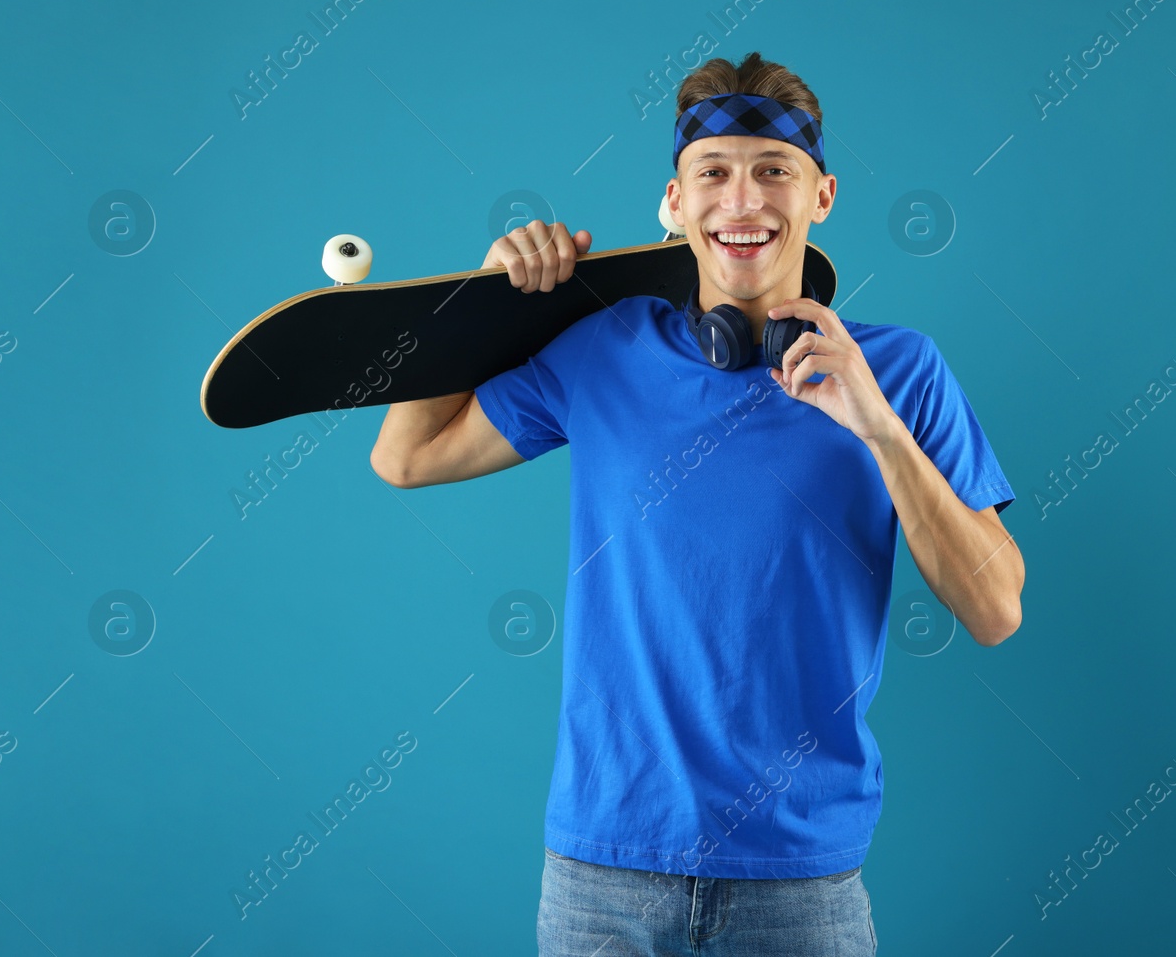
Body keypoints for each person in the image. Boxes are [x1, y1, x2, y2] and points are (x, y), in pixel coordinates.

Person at [370, 52, 1024, 956]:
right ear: (674, 204)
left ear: (822, 196)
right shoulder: (602, 353)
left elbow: (995, 608)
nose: (742, 200)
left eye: (773, 172)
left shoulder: (901, 370)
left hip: (801, 882)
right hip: (603, 877)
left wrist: (878, 427)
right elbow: (404, 457)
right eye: (712, 173)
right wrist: (477, 305)